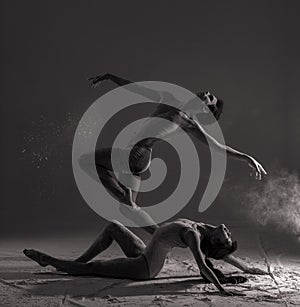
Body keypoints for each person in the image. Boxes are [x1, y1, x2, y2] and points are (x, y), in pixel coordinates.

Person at [79, 73, 267, 213]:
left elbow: (218, 147)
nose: (207, 93)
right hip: (140, 158)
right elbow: (135, 88)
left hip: (138, 154)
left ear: (205, 110)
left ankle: (124, 197)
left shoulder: (189, 123)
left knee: (86, 161)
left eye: (210, 98)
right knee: (131, 211)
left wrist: (247, 157)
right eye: (210, 94)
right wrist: (110, 77)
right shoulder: (168, 98)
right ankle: (153, 236)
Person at [24, 218, 266, 296]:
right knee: (114, 227)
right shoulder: (205, 227)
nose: (227, 231)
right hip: (145, 251)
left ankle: (50, 260)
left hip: (145, 268)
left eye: (225, 236)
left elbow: (203, 264)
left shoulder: (193, 235)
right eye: (227, 234)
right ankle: (76, 263)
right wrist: (245, 268)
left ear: (215, 240)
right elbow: (222, 255)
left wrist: (222, 290)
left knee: (95, 267)